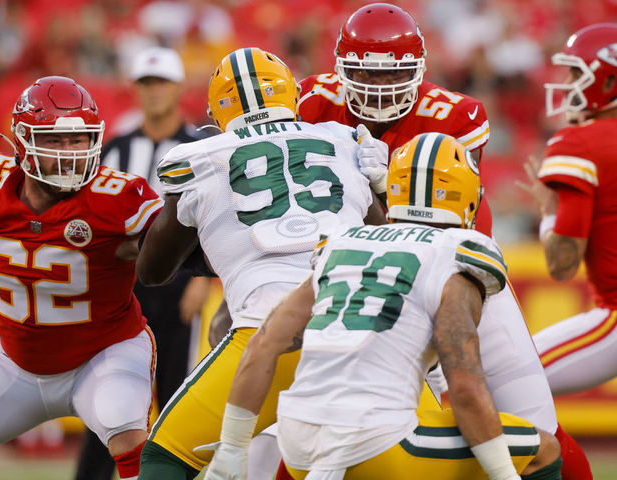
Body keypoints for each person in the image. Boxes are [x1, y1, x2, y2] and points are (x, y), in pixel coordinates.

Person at [297, 4, 590, 479]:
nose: (375, 87)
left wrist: (378, 188)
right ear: (340, 67)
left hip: (459, 271)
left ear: (419, 69)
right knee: (331, 426)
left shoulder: (456, 114)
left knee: (536, 426)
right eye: (362, 71)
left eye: (390, 74)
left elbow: (432, 232)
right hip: (359, 282)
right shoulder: (310, 101)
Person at [204, 133, 562, 480]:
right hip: (380, 444)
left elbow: (263, 346)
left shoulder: (343, 242)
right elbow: (466, 387)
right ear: (468, 197)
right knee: (542, 450)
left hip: (298, 445)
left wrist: (233, 448)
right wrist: (503, 473)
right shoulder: (455, 250)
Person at [135, 46, 387, 479]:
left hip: (268, 333)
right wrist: (379, 190)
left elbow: (152, 271)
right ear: (291, 94)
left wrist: (219, 251)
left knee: (165, 458)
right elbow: (381, 236)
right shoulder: (344, 140)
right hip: (371, 328)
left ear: (217, 109)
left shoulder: (199, 159)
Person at [0, 76, 163, 480]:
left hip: (104, 353)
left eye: (78, 140)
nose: (69, 153)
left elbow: (176, 243)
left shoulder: (116, 196)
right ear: (23, 142)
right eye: (54, 141)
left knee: (125, 428)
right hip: (13, 360)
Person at [74, 46, 216, 480]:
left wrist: (203, 281)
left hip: (180, 283)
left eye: (161, 84)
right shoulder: (114, 147)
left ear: (177, 88)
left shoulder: (201, 147)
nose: (153, 92)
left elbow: (213, 214)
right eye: (146, 84)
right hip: (122, 287)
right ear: (135, 89)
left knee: (175, 391)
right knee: (107, 393)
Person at [518, 24, 617, 396]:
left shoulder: (579, 143)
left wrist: (549, 212)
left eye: (577, 72)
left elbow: (563, 265)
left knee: (501, 386)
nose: (567, 81)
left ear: (609, 81)